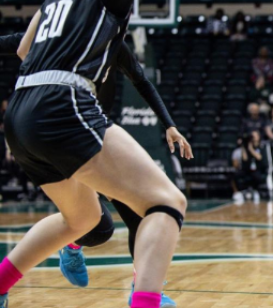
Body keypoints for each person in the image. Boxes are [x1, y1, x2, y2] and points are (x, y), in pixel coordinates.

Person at [1, 0, 273, 307]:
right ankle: (146, 301)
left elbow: (24, 48)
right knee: (167, 201)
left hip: (20, 112)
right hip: (61, 103)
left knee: (82, 221)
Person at [0, 33, 192, 306]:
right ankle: (145, 292)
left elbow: (142, 81)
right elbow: (14, 45)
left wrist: (169, 124)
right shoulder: (63, 30)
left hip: (88, 129)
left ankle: (140, 285)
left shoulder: (110, 39)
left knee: (98, 226)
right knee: (142, 211)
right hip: (64, 128)